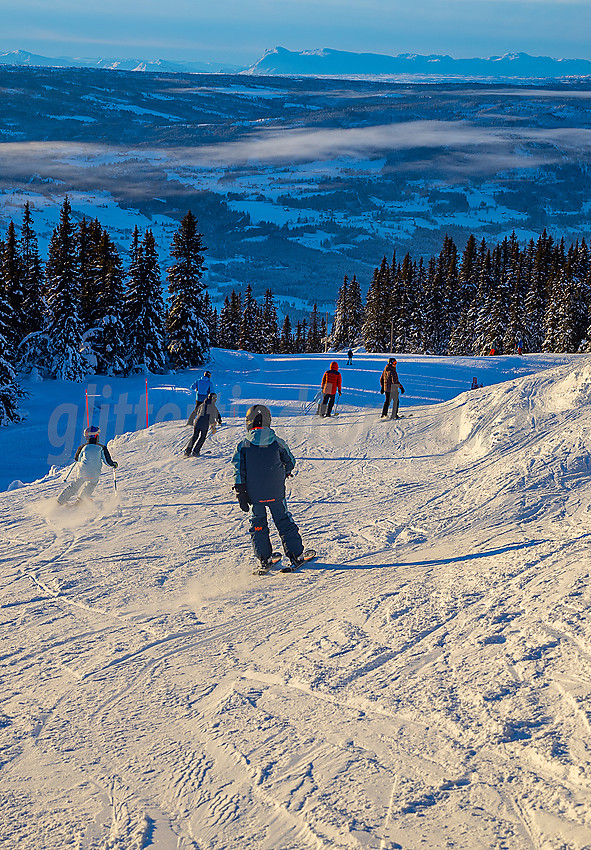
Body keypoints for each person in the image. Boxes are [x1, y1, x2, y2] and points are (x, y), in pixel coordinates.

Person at [232, 404, 306, 571]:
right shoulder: (277, 442)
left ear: (249, 422)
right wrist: (284, 472)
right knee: (283, 521)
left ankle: (264, 559)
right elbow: (290, 462)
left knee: (258, 524)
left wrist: (240, 492)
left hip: (254, 494)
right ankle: (296, 555)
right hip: (275, 492)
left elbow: (238, 469)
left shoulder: (243, 444)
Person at [57, 425, 118, 505]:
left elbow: (77, 459)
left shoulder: (83, 447)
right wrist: (114, 464)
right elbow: (107, 462)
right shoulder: (102, 448)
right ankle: (81, 501)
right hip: (94, 473)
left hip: (83, 472)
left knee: (75, 486)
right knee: (91, 484)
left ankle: (60, 501)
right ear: (96, 436)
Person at [184, 392, 222, 457]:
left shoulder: (203, 404)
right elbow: (213, 416)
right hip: (204, 424)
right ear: (214, 399)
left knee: (195, 436)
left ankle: (187, 451)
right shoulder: (212, 406)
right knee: (202, 437)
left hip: (197, 422)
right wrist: (214, 425)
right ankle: (196, 451)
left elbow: (198, 412)